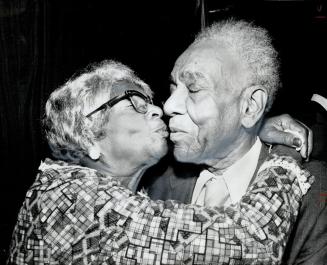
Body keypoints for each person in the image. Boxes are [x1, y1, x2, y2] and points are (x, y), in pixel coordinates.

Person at [8, 60, 313, 265]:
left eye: (151, 102)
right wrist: (283, 154)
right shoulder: (77, 202)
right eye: (135, 103)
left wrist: (250, 128)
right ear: (88, 137)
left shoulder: (103, 196)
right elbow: (251, 242)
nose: (158, 110)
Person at [144, 19, 327, 264]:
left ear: (250, 106)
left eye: (194, 89)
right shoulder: (157, 184)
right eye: (172, 88)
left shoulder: (312, 194)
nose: (168, 106)